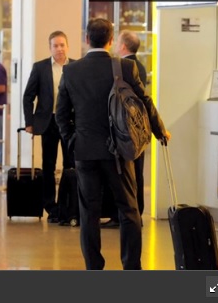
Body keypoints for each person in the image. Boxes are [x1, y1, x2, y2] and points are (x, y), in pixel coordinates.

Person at [55, 18, 171, 270]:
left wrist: (73, 140)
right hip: (119, 151)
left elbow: (61, 114)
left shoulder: (71, 71)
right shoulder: (125, 68)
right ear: (110, 40)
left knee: (89, 213)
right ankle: (131, 266)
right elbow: (145, 102)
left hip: (85, 152)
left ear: (87, 40)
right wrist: (159, 130)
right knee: (129, 210)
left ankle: (94, 267)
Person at [23, 30, 75, 223]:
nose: (59, 49)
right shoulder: (40, 68)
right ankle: (50, 206)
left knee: (70, 165)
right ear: (50, 48)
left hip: (69, 122)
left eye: (62, 45)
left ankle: (67, 204)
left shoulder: (76, 66)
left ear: (67, 46)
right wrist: (30, 122)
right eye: (55, 45)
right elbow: (28, 96)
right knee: (48, 165)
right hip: (48, 122)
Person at [101, 29, 149, 229]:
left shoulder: (125, 67)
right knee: (137, 172)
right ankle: (136, 212)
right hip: (138, 128)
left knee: (127, 174)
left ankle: (126, 214)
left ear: (122, 46)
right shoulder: (141, 66)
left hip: (125, 129)